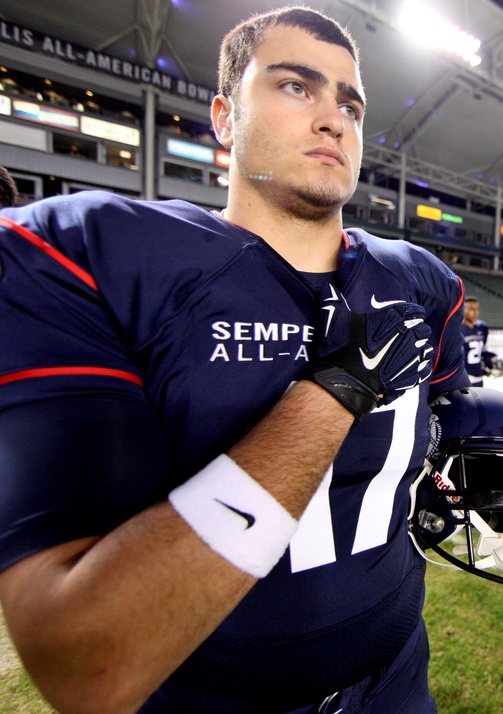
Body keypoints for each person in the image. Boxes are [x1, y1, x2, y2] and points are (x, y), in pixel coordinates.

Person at [0, 8, 474, 712]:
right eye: (295, 87)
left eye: (350, 103)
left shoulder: (424, 280)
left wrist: (461, 468)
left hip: (400, 680)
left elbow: (449, 411)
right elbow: (87, 662)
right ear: (224, 118)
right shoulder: (94, 255)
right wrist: (334, 392)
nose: (332, 119)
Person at [460, 295, 489, 386]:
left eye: (477, 309)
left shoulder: (482, 327)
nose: (476, 312)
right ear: (462, 310)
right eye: (472, 309)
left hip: (479, 376)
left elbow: (483, 349)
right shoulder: (458, 328)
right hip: (463, 377)